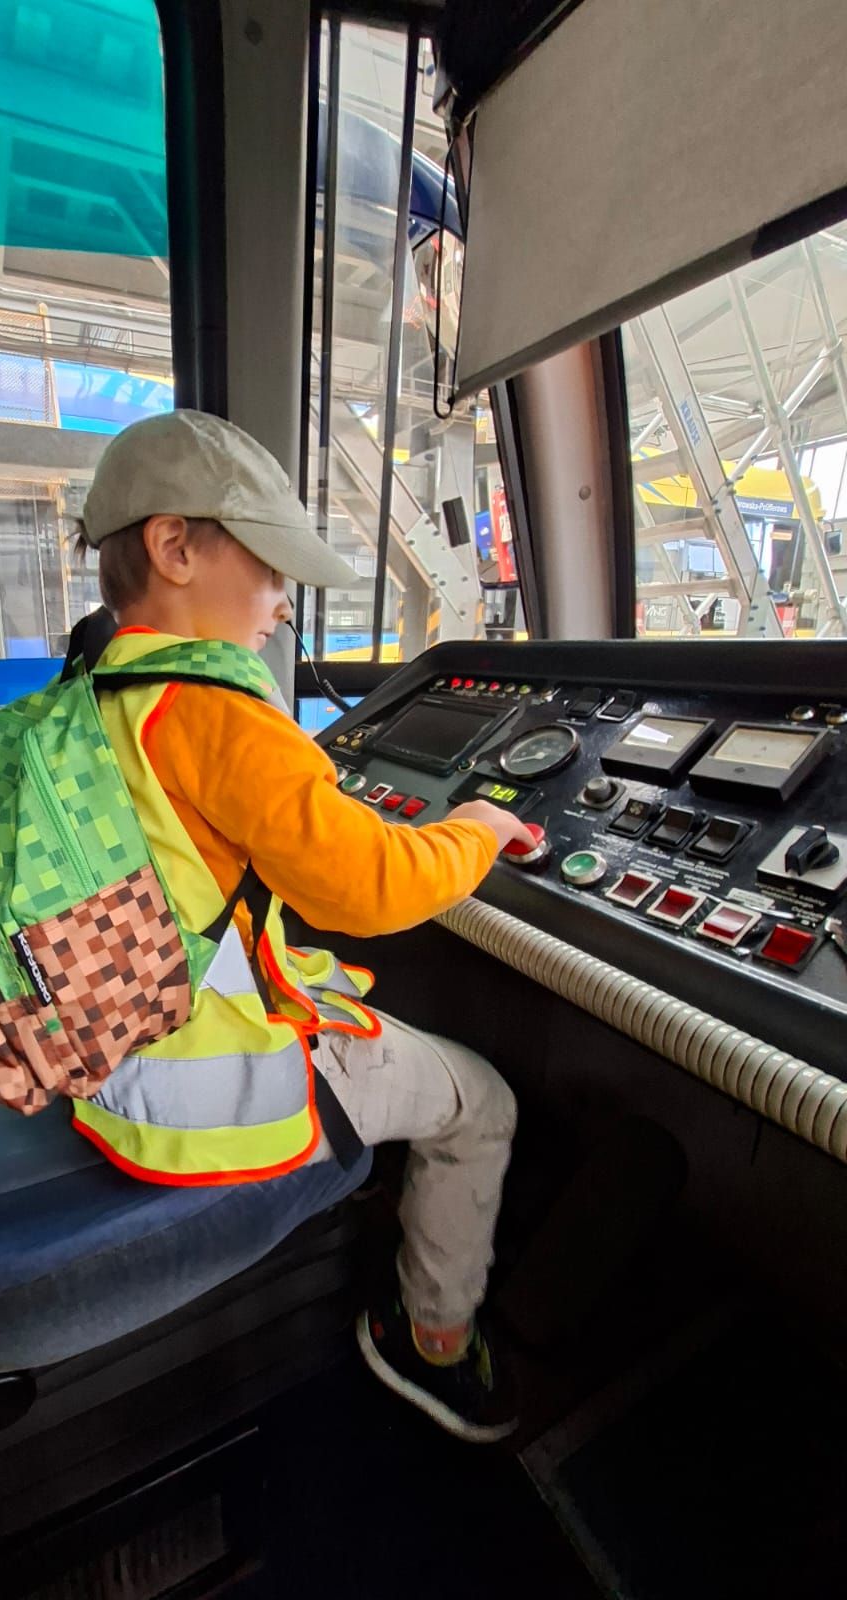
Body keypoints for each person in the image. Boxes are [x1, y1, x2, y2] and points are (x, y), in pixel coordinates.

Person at [75, 409, 535, 1441]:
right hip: (208, 1081)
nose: (285, 604)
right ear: (175, 547)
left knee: (361, 995)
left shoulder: (95, 692)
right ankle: (431, 1341)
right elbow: (368, 885)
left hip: (111, 1053)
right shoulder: (215, 708)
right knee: (484, 1103)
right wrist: (474, 829)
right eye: (272, 568)